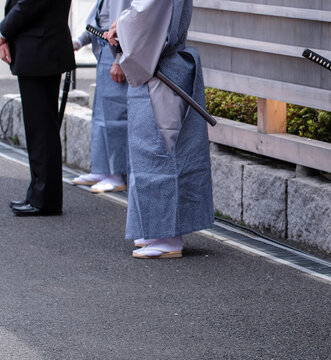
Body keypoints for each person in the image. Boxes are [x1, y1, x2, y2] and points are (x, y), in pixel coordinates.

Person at [105, 0, 214, 258]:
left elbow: (147, 11)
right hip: (158, 67)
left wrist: (121, 23)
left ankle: (168, 236)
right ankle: (156, 230)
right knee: (149, 152)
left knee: (160, 151)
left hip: (161, 69)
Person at [1, 0, 75, 216]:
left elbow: (30, 3)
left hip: (40, 48)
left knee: (41, 130)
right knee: (40, 129)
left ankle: (44, 199)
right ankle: (39, 195)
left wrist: (3, 31)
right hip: (39, 47)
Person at [71, 0, 131, 193]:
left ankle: (116, 173)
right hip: (104, 49)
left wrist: (119, 59)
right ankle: (102, 169)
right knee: (100, 114)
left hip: (115, 52)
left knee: (115, 115)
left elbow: (125, 24)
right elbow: (97, 20)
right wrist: (79, 41)